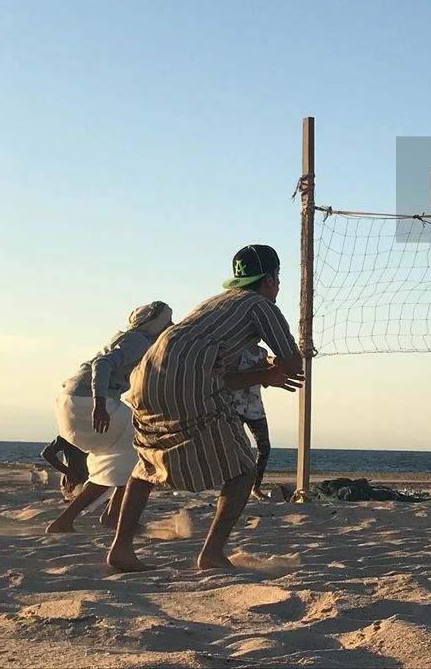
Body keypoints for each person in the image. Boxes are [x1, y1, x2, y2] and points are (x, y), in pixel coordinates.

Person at [107, 245, 304, 572]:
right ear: (270, 279)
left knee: (147, 462)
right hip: (188, 378)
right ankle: (212, 553)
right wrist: (276, 364)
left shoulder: (211, 304)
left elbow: (217, 376)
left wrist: (263, 376)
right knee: (243, 469)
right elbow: (293, 363)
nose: (278, 286)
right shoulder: (261, 305)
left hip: (146, 377)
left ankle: (121, 549)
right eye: (278, 279)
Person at [46, 302, 174, 533]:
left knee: (118, 460)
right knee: (143, 452)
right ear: (156, 324)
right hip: (88, 401)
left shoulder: (132, 339)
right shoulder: (140, 340)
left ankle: (71, 520)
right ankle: (112, 516)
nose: (171, 326)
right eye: (167, 322)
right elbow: (102, 364)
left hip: (72, 400)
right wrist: (100, 403)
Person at [232, 343, 273, 500]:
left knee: (264, 447)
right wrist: (258, 368)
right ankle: (235, 487)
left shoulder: (263, 352)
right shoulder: (238, 351)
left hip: (255, 407)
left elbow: (265, 383)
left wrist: (272, 369)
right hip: (237, 406)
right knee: (239, 448)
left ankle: (255, 487)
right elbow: (235, 376)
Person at [41, 436, 89, 501]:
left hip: (94, 481)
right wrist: (69, 473)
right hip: (75, 482)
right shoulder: (70, 433)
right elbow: (47, 453)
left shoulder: (96, 433)